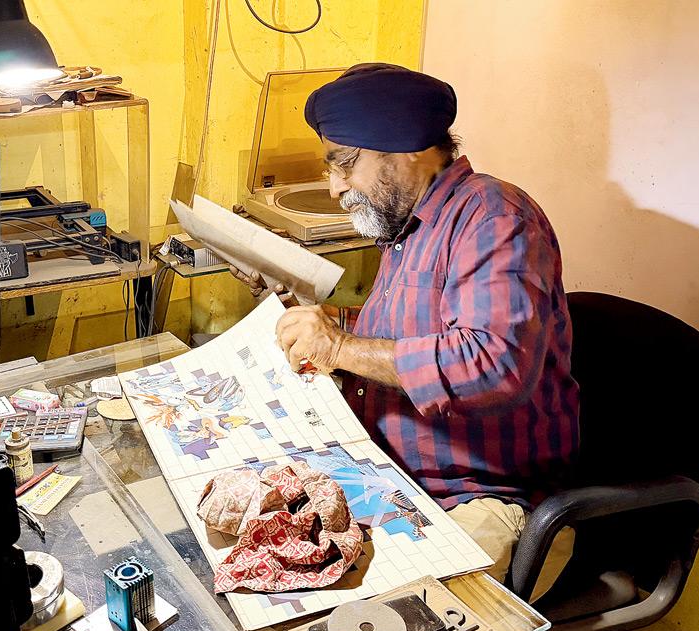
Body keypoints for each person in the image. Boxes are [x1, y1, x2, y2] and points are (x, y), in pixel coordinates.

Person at [233, 64, 579, 599]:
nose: (334, 187)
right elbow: (395, 342)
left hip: (484, 496)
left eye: (346, 165)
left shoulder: (495, 217)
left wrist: (341, 346)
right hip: (390, 474)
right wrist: (303, 320)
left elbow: (491, 367)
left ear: (410, 148)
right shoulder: (408, 229)